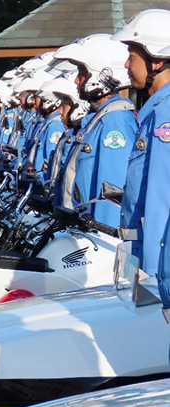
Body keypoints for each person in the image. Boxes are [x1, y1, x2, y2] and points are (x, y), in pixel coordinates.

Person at [54, 34, 138, 227]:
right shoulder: (98, 118)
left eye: (82, 71)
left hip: (94, 238)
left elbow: (112, 196)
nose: (76, 80)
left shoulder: (114, 122)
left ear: (103, 73)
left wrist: (103, 236)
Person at [111, 9, 170, 276]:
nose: (126, 65)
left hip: (155, 269)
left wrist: (152, 281)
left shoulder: (165, 113)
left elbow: (161, 202)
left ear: (156, 61)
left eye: (132, 56)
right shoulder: (155, 109)